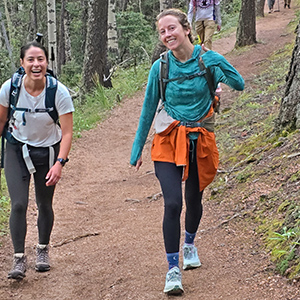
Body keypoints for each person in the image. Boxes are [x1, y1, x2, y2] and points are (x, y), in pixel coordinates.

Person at [130, 8, 244, 295]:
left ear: (186, 29)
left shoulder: (207, 61)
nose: (167, 35)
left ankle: (189, 243)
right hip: (168, 139)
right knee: (172, 204)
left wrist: (216, 60)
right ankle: (172, 269)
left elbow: (238, 84)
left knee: (194, 199)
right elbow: (147, 108)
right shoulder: (161, 67)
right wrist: (137, 148)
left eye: (172, 29)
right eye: (162, 31)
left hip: (199, 139)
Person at [0, 41, 74, 280]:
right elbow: (1, 122)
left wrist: (59, 163)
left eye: (40, 59)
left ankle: (42, 250)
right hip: (16, 150)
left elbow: (68, 132)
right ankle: (19, 258)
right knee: (18, 203)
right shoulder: (9, 88)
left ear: (46, 63)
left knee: (44, 203)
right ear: (21, 63)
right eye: (30, 60)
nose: (36, 64)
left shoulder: (58, 92)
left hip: (48, 153)